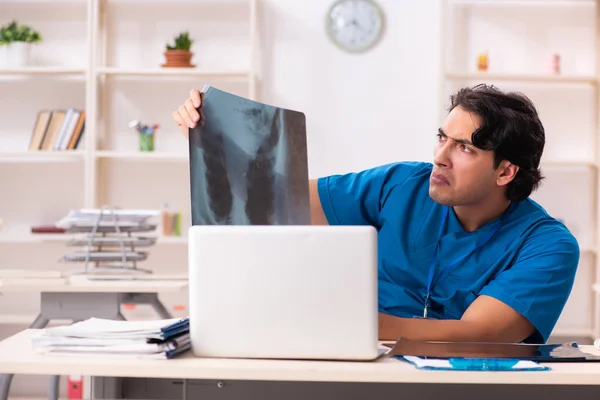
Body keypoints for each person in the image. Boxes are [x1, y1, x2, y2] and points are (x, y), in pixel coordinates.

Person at [172, 84, 579, 344]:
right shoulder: (403, 184)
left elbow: (478, 336)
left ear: (506, 171)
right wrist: (212, 133)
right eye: (442, 138)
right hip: (363, 368)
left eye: (464, 148)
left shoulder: (547, 246)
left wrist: (339, 322)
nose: (439, 157)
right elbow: (281, 201)